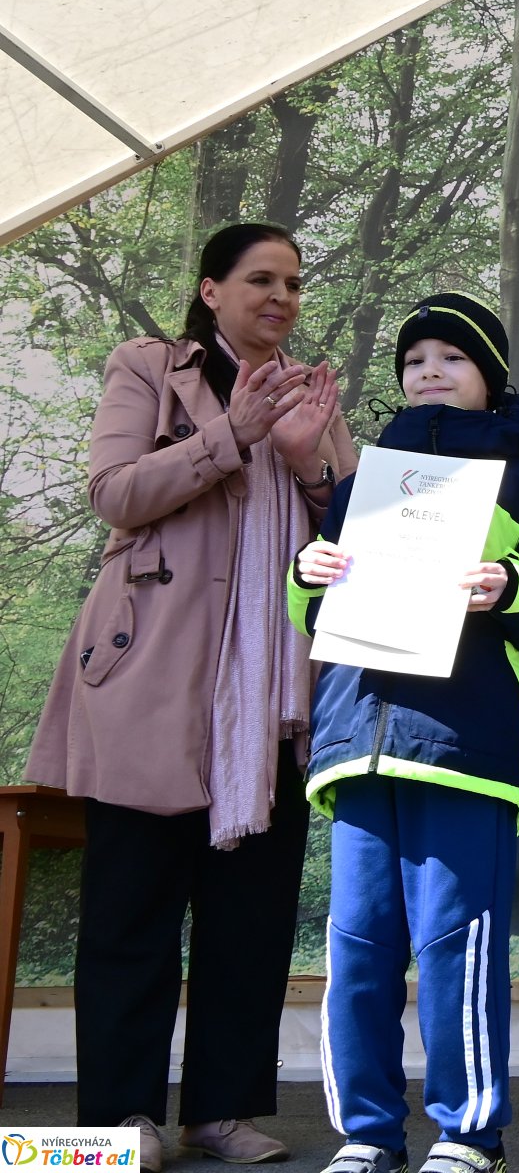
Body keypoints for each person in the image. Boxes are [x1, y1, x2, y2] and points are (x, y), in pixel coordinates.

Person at [26, 222, 354, 1172]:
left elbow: (353, 518)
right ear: (211, 290)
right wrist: (231, 436)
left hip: (276, 690)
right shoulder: (149, 367)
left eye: (293, 282)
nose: (282, 297)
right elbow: (116, 494)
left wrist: (306, 460)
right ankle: (121, 1117)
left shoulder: (310, 388)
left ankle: (223, 1109)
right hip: (151, 678)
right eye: (261, 279)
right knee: (132, 909)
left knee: (250, 911)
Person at [291, 292, 519, 1173]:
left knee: (457, 950)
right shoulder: (360, 487)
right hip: (356, 746)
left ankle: (468, 1135)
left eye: (453, 358)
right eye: (416, 357)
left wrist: (511, 582)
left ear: (491, 380)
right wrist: (306, 573)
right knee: (355, 953)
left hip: (467, 750)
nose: (431, 368)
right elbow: (308, 612)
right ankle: (366, 1134)